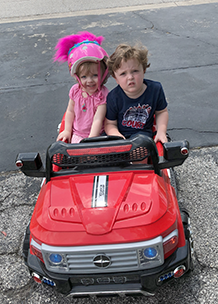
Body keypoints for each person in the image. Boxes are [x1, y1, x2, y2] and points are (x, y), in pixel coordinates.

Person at [104, 43, 168, 144]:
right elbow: (110, 123)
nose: (130, 77)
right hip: (120, 135)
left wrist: (161, 132)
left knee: (140, 149)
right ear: (115, 78)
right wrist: (117, 137)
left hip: (142, 134)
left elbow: (161, 112)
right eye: (123, 74)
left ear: (144, 70)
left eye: (135, 71)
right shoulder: (113, 97)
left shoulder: (155, 89)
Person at [54, 31, 109, 143]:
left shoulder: (102, 94)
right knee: (74, 155)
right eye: (84, 76)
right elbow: (70, 111)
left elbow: (98, 119)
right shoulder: (75, 91)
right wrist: (67, 131)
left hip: (98, 134)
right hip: (78, 133)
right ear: (77, 77)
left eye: (95, 75)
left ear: (103, 74)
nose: (89, 81)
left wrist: (92, 138)